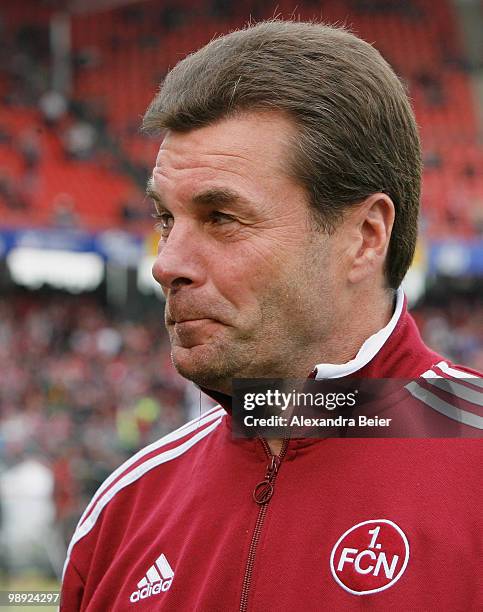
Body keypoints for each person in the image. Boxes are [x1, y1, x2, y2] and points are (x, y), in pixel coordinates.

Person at [60, 20, 482, 611]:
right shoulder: (124, 511)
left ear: (365, 237)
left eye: (221, 218)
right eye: (165, 220)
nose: (167, 263)